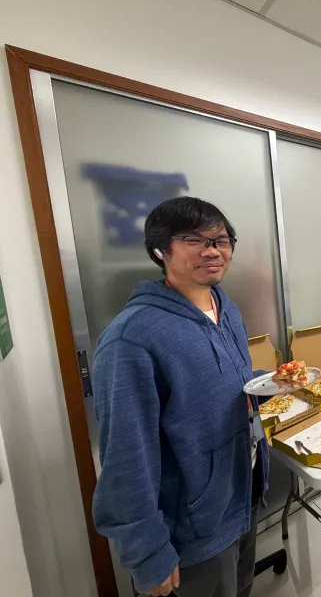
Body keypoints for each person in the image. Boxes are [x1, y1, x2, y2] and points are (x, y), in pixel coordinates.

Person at [92, 197, 269, 597]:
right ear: (160, 250)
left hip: (242, 488)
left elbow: (227, 387)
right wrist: (147, 553)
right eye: (195, 240)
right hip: (193, 524)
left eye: (222, 240)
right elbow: (126, 456)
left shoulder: (226, 308)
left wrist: (270, 384)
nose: (213, 251)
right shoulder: (131, 339)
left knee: (241, 588)